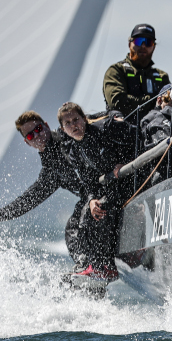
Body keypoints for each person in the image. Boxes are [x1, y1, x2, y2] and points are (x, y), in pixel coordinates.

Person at [0, 111, 92, 272]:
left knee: (75, 227)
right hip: (91, 200)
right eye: (31, 136)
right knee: (72, 229)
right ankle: (90, 272)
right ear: (28, 143)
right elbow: (29, 199)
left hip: (107, 189)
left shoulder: (66, 136)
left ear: (46, 126)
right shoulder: (51, 172)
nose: (37, 135)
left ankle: (90, 268)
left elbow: (87, 125)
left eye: (38, 128)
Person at [58, 102, 136, 282]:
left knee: (100, 211)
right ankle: (91, 265)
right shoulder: (74, 150)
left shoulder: (105, 129)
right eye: (68, 123)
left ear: (84, 119)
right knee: (89, 210)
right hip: (111, 186)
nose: (73, 125)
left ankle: (105, 267)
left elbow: (139, 136)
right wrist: (92, 198)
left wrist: (126, 161)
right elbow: (87, 180)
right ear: (63, 128)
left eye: (76, 119)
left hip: (130, 179)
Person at [103, 24, 171, 122]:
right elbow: (117, 102)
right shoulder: (117, 70)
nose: (143, 46)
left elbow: (170, 103)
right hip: (126, 130)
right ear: (129, 44)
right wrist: (154, 100)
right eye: (139, 41)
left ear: (154, 47)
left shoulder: (162, 76)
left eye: (148, 42)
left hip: (156, 130)